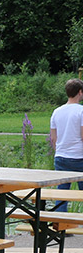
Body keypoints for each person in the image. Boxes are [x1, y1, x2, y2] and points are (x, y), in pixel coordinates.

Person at [48, 79, 83, 211]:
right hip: (79, 156)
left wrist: (59, 151)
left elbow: (53, 138)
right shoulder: (81, 111)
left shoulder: (57, 111)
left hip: (61, 156)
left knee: (61, 193)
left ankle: (60, 225)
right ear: (80, 92)